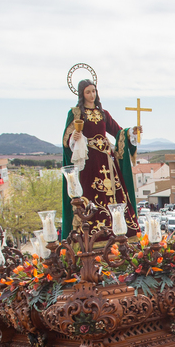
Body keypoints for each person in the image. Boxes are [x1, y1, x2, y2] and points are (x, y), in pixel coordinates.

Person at [60, 78, 140, 237]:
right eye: (88, 92)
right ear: (82, 94)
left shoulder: (103, 114)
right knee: (89, 196)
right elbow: (66, 140)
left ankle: (117, 230)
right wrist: (74, 138)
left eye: (94, 91)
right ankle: (91, 233)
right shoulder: (76, 113)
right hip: (88, 163)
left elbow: (118, 132)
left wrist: (131, 131)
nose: (92, 95)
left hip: (106, 161)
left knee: (113, 194)